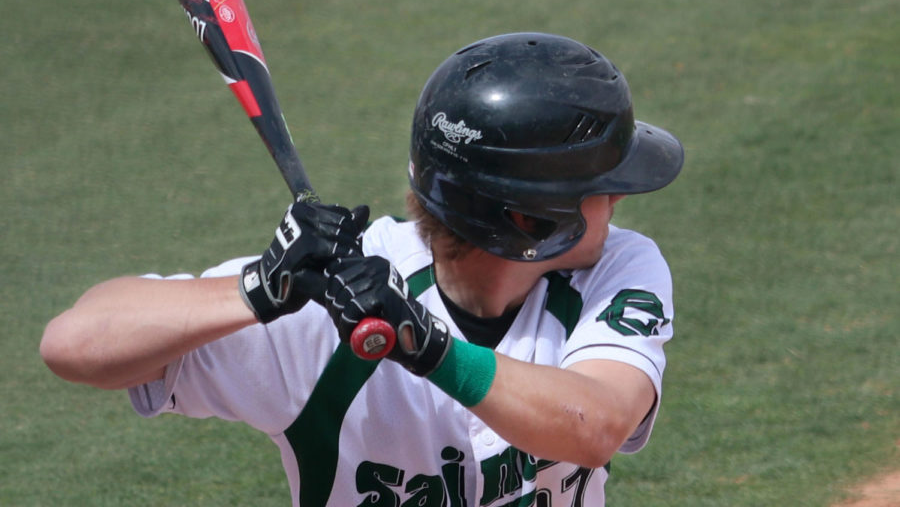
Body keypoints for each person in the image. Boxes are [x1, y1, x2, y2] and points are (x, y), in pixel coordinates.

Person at [41, 32, 684, 506]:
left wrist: (426, 348)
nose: (621, 199)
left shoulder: (618, 269)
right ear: (529, 222)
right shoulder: (323, 310)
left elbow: (593, 424)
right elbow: (73, 346)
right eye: (604, 185)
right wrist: (257, 291)